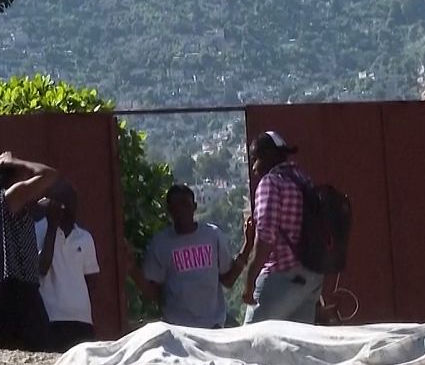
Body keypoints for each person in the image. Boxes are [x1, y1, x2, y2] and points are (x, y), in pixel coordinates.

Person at [123, 184, 254, 329]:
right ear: (169, 211)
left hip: (213, 327)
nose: (181, 210)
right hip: (178, 331)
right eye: (175, 206)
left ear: (194, 206)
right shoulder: (161, 244)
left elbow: (228, 280)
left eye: (185, 204)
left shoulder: (212, 236)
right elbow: (154, 293)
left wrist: (248, 246)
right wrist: (133, 270)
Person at [0, 151, 58, 351]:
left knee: (11, 348)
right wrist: (18, 161)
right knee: (40, 348)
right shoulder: (11, 196)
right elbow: (50, 175)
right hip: (18, 288)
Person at [243, 131, 323, 324]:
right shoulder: (303, 180)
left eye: (255, 159)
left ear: (270, 155)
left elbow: (265, 239)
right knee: (296, 345)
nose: (254, 167)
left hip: (280, 275)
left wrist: (249, 282)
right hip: (312, 276)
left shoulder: (270, 183)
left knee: (249, 344)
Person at [35, 181, 100, 351]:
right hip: (52, 318)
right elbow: (41, 268)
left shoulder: (84, 238)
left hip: (81, 319)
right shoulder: (38, 231)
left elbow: (92, 280)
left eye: (72, 202)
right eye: (63, 203)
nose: (69, 208)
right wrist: (52, 226)